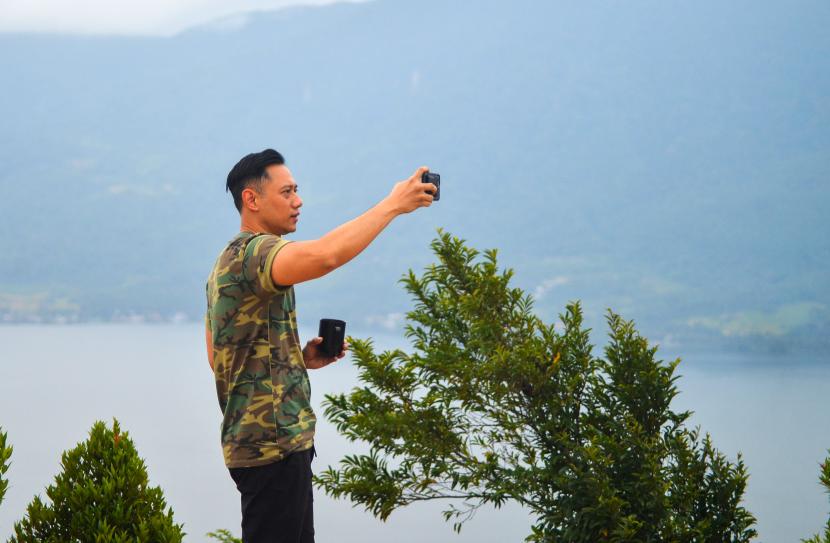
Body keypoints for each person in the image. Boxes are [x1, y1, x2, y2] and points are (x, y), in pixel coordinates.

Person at [205, 148, 436, 543]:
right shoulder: (254, 253)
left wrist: (297, 358)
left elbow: (218, 357)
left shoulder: (224, 265)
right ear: (252, 199)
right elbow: (327, 255)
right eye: (287, 192)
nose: (298, 201)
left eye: (297, 191)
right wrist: (393, 204)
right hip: (272, 449)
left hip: (268, 448)